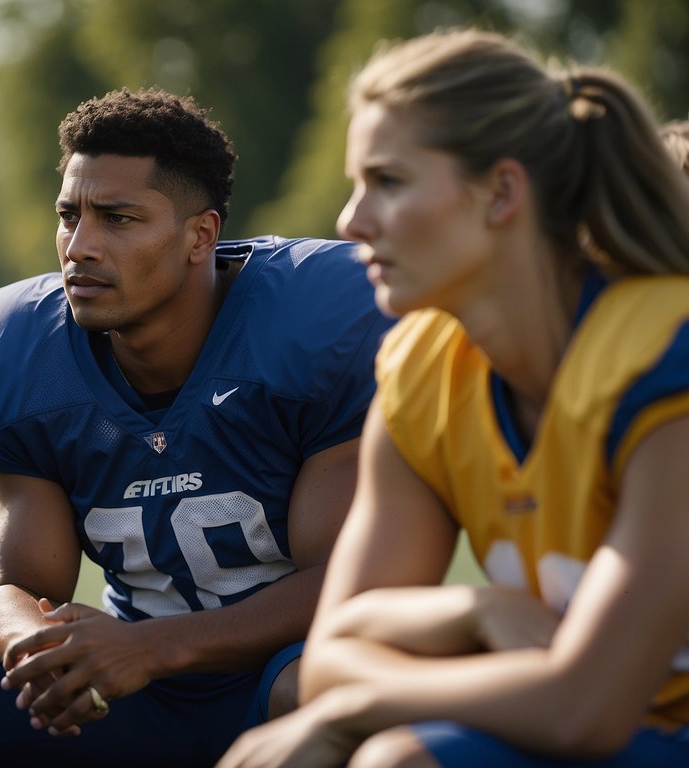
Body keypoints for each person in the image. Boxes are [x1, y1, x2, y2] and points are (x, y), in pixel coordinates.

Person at [0, 87, 394, 767]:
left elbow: (346, 583)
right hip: (132, 683)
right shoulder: (17, 356)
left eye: (118, 218)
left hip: (280, 665)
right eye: (69, 215)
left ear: (200, 235)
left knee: (327, 698)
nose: (79, 247)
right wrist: (36, 648)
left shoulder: (313, 327)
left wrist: (153, 647)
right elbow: (16, 585)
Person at [216, 28, 689, 768]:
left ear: (501, 191)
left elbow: (585, 709)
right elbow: (331, 653)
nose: (350, 221)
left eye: (389, 181)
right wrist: (473, 608)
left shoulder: (665, 353)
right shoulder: (425, 368)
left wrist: (359, 705)